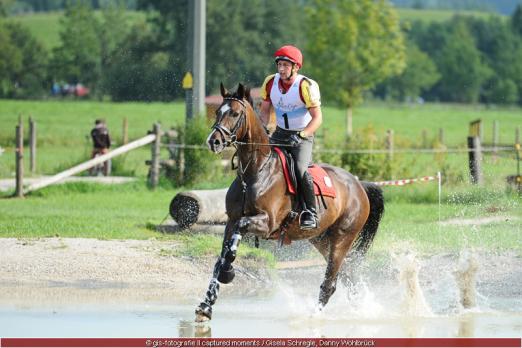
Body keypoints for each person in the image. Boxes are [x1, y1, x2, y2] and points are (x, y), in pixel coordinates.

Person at [259, 45, 323, 230]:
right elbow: (264, 111)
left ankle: (310, 212)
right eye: (279, 64)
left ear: (296, 67)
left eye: (286, 65)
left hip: (302, 135)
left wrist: (302, 135)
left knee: (301, 170)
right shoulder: (270, 82)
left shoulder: (305, 86)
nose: (281, 69)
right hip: (279, 133)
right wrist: (263, 128)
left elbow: (318, 118)